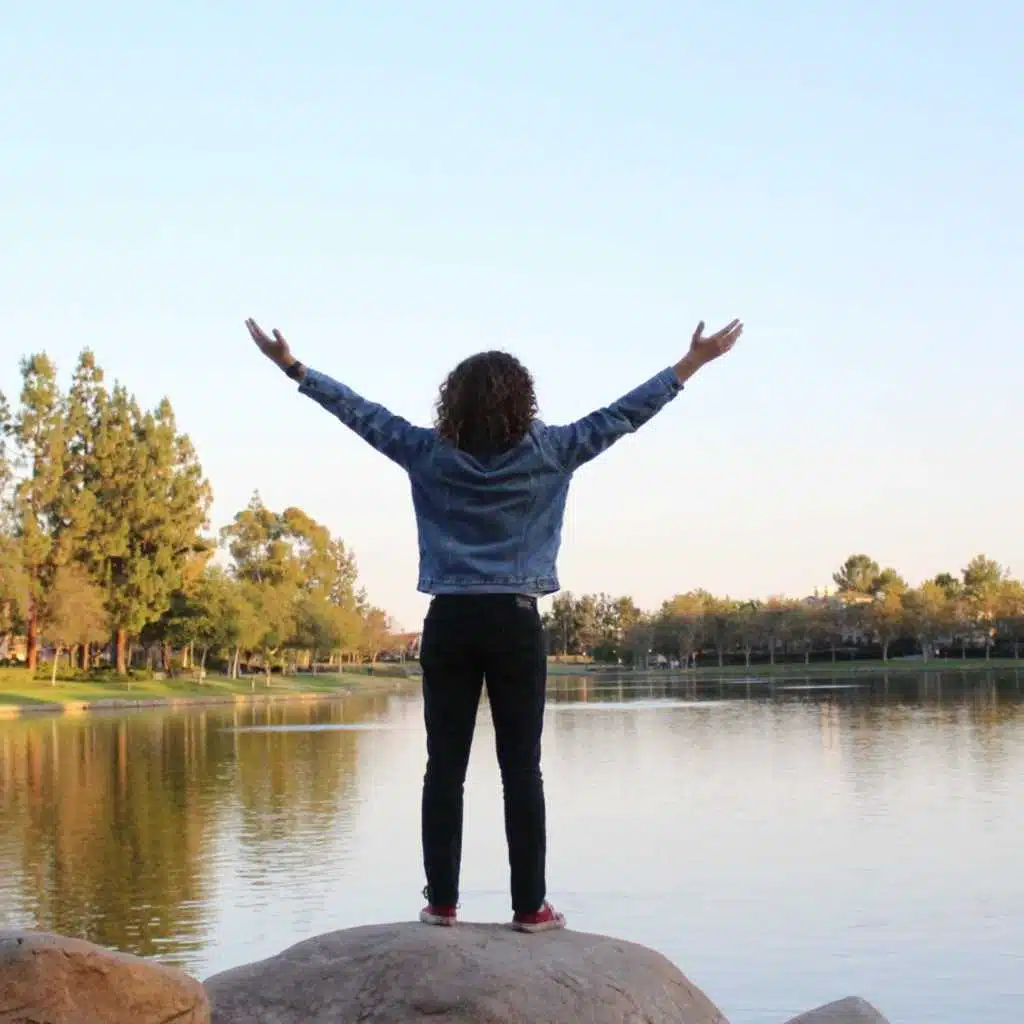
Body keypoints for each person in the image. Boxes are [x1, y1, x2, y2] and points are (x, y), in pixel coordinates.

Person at [246, 315, 742, 933]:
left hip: (450, 620)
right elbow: (624, 415)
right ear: (523, 401)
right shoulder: (553, 450)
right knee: (521, 769)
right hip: (514, 621)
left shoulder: (428, 453)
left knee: (444, 766)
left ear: (452, 401)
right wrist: (691, 364)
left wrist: (293, 368)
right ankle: (530, 908)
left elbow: (360, 414)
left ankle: (442, 903)